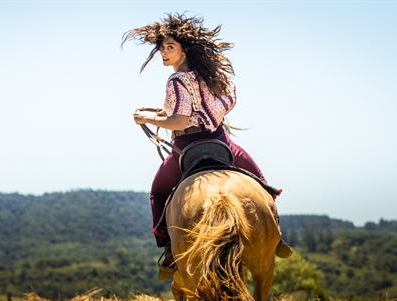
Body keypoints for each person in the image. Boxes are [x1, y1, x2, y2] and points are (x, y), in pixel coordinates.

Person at [123, 14, 291, 278]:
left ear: (184, 50)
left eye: (170, 47)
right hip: (219, 140)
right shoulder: (210, 76)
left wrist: (146, 118)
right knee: (260, 182)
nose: (164, 53)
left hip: (186, 144)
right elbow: (211, 104)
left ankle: (168, 249)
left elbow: (179, 119)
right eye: (162, 48)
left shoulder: (176, 80)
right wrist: (165, 112)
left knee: (158, 191)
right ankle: (275, 236)